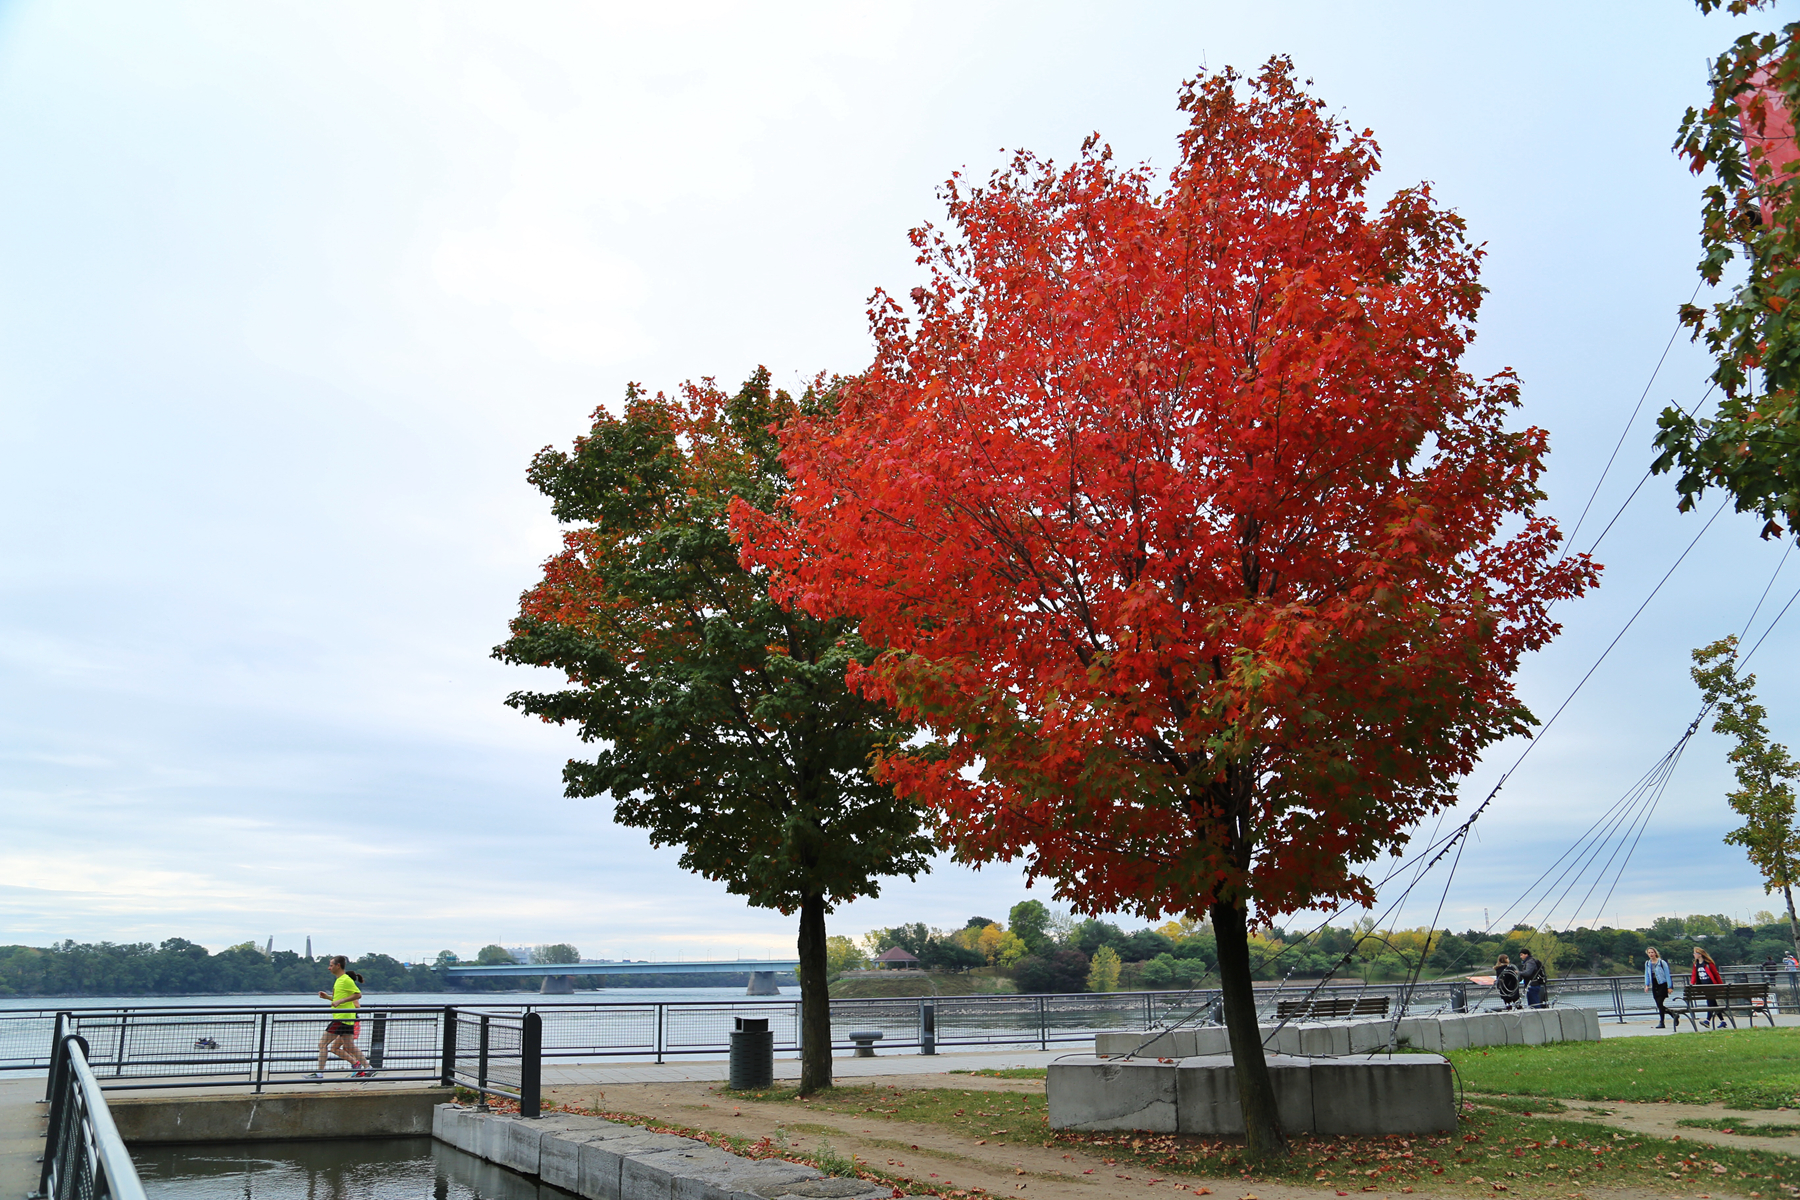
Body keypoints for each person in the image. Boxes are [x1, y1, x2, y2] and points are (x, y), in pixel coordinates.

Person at [307, 956, 373, 1079]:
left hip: (341, 1018)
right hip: (346, 1018)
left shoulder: (346, 979)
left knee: (322, 1044)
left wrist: (341, 1000)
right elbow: (338, 1000)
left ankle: (319, 1073)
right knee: (349, 1046)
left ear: (338, 966)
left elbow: (358, 995)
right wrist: (328, 998)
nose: (329, 968)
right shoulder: (339, 980)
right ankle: (368, 1068)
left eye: (331, 965)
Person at [1691, 946, 1724, 1029]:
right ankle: (1722, 1021)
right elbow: (1694, 975)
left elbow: (1716, 974)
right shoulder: (1696, 964)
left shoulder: (1709, 964)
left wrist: (1720, 986)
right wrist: (1692, 983)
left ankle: (1707, 1020)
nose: (1694, 954)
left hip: (1711, 986)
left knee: (1710, 1003)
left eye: (1695, 953)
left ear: (1700, 954)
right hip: (1704, 987)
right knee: (1714, 1004)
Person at [1644, 947, 1673, 1029]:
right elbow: (1647, 974)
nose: (1651, 954)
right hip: (1654, 984)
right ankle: (1673, 1014)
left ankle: (1662, 1022)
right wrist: (1647, 985)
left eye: (1652, 952)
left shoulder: (1661, 962)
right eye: (1649, 953)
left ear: (1655, 953)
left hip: (1662, 984)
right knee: (1659, 1004)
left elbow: (1667, 974)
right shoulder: (1647, 963)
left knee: (1660, 1003)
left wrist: (1669, 986)